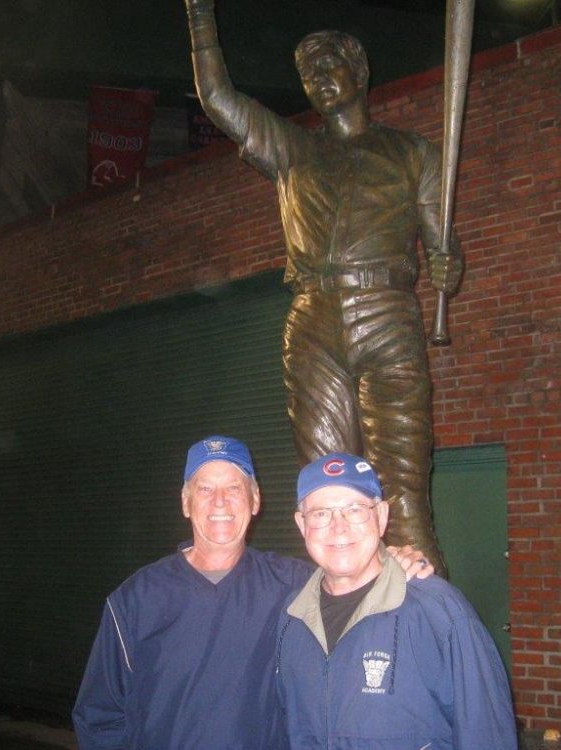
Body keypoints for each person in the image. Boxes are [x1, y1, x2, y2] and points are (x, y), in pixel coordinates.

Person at [184, 0, 463, 577]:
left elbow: (444, 248)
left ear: (360, 72)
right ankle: (342, 614)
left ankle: (431, 620)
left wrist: (448, 266)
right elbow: (217, 98)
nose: (316, 78)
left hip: (387, 316)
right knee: (328, 492)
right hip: (313, 321)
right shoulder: (292, 150)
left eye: (328, 64)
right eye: (307, 72)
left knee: (402, 493)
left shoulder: (414, 154)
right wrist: (199, 15)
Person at [71, 435, 432, 749]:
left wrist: (393, 560)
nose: (220, 502)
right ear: (185, 502)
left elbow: (351, 574)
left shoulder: (295, 585)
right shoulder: (135, 599)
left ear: (255, 499)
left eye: (234, 488)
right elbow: (99, 717)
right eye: (205, 489)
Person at [275, 452, 517, 749]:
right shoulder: (292, 618)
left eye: (354, 509)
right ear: (302, 525)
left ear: (381, 517)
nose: (339, 527)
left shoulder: (440, 612)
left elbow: (487, 736)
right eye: (321, 513)